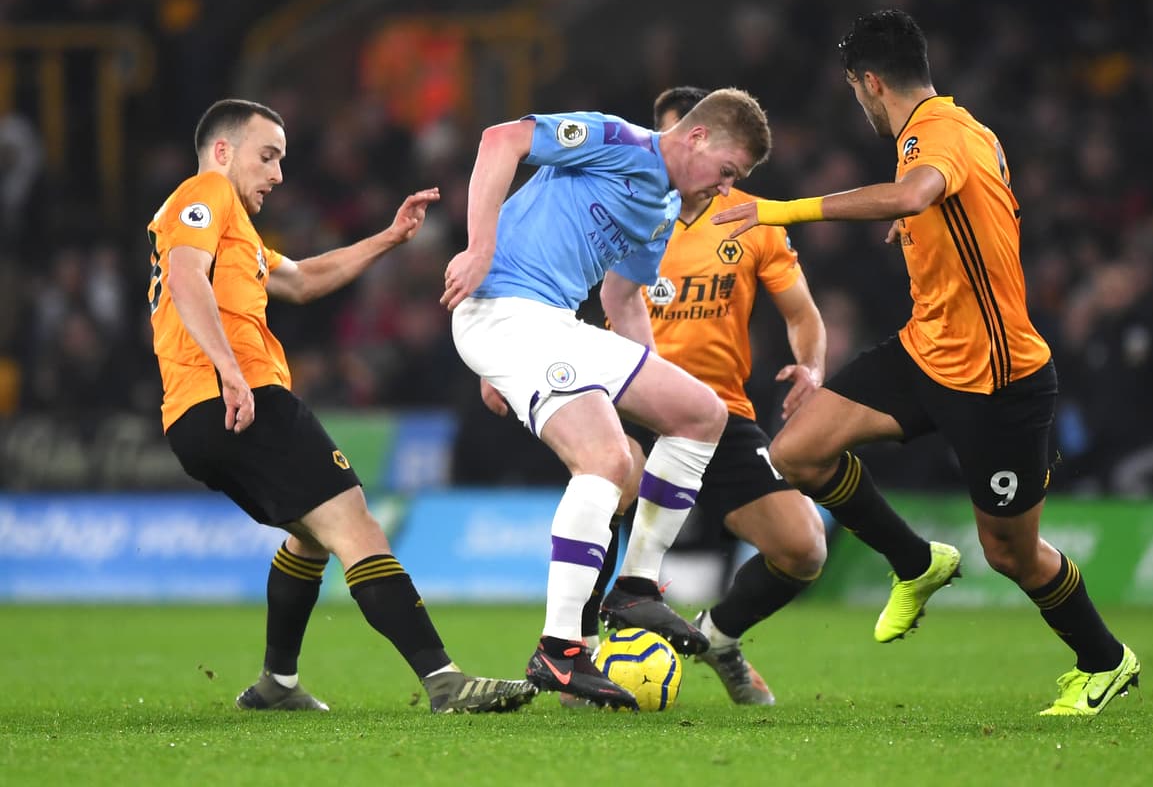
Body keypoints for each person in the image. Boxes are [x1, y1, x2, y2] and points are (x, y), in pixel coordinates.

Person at [713, 10, 1140, 717]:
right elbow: (954, 204)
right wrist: (917, 222)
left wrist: (783, 210)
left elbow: (918, 191)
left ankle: (1104, 659)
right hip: (927, 351)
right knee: (796, 452)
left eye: (856, 89)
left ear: (871, 83)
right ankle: (916, 562)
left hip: (998, 380)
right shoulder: (959, 132)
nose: (858, 100)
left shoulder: (938, 135)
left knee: (1011, 553)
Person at [148, 98, 537, 715]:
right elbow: (184, 278)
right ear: (223, 153)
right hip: (237, 395)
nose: (277, 174)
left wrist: (389, 237)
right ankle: (445, 681)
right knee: (358, 525)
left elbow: (301, 279)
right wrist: (231, 373)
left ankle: (277, 683)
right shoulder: (206, 193)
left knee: (312, 538)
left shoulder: (237, 233)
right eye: (267, 156)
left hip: (194, 419)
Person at [443, 89, 772, 709]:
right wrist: (480, 248)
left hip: (553, 325)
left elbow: (621, 301)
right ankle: (560, 648)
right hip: (503, 310)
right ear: (698, 137)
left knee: (701, 413)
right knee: (604, 461)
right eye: (728, 172)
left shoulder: (662, 207)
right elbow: (500, 139)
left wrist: (652, 398)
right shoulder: (618, 141)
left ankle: (635, 586)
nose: (726, 188)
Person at [574, 86, 828, 706]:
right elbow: (555, 282)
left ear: (703, 141)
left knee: (803, 548)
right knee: (605, 492)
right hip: (631, 399)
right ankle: (575, 659)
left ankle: (720, 637)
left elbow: (802, 312)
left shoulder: (749, 219)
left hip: (720, 412)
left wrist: (812, 367)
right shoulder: (626, 205)